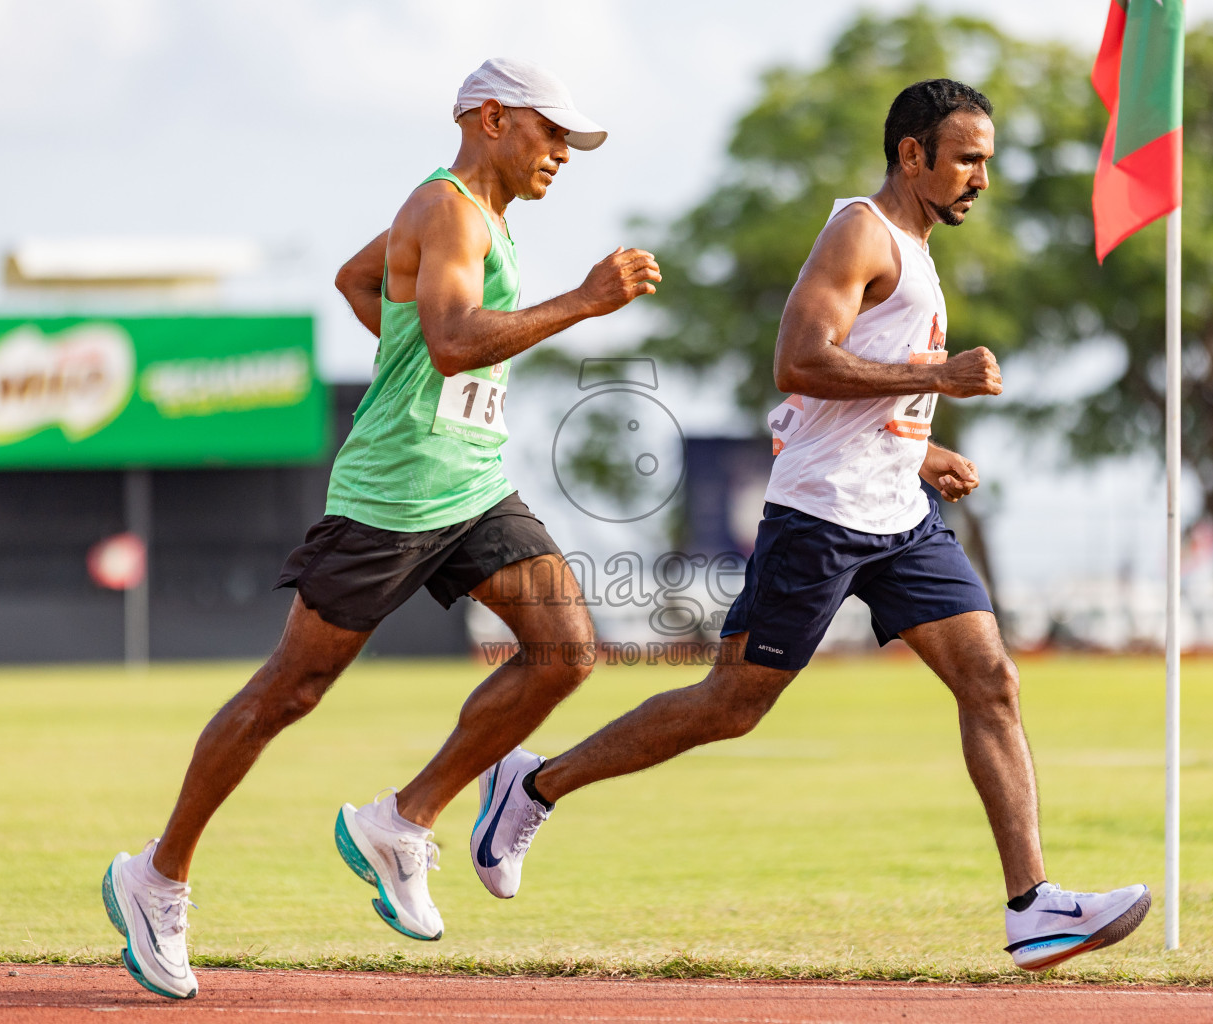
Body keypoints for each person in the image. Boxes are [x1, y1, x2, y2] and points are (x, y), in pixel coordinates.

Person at [471, 78, 1151, 973]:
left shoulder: (915, 240)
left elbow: (871, 381)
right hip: (821, 518)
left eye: (987, 159)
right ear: (914, 155)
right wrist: (939, 380)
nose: (983, 177)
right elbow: (799, 361)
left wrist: (918, 447)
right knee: (731, 705)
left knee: (991, 679)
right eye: (969, 159)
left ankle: (1033, 908)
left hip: (900, 516)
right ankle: (535, 782)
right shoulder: (862, 231)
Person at [101, 57, 662, 1000]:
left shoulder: (483, 219)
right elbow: (449, 341)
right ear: (491, 118)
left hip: (472, 485)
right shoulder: (444, 206)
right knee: (289, 692)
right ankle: (156, 876)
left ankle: (403, 820)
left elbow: (359, 280)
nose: (564, 154)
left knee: (565, 651)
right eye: (551, 132)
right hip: (392, 498)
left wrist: (404, 351)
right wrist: (583, 301)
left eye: (572, 141)